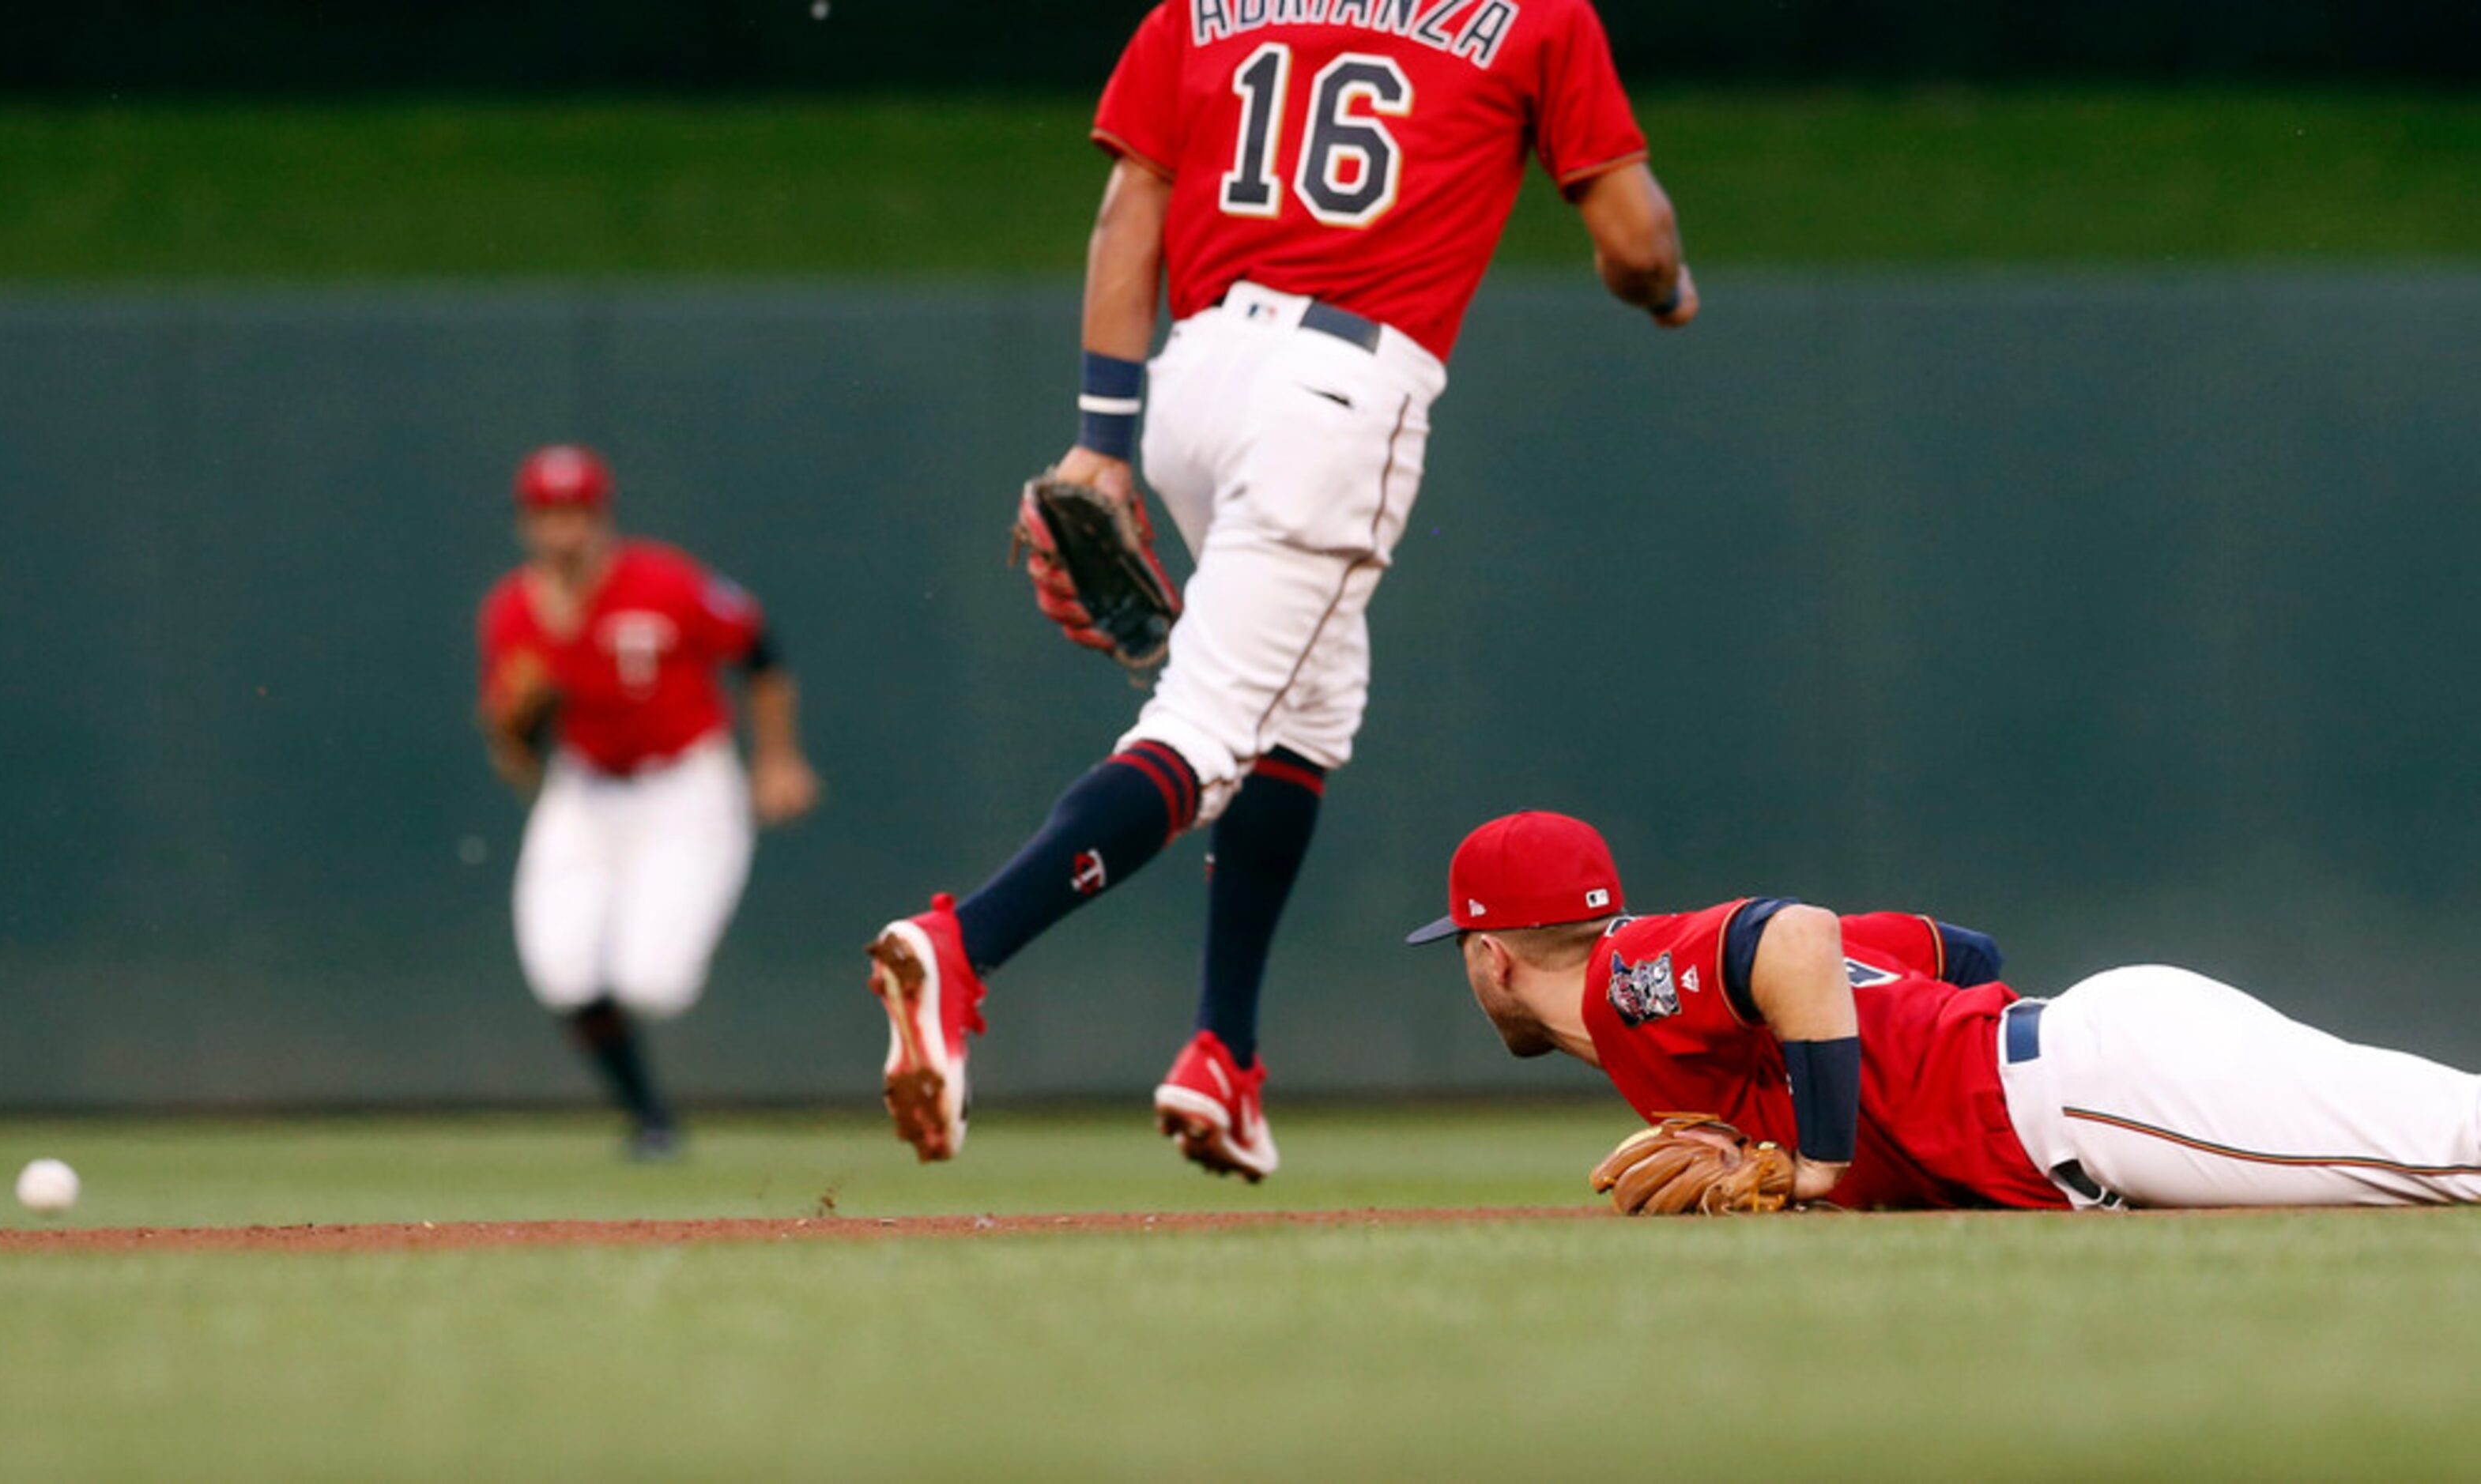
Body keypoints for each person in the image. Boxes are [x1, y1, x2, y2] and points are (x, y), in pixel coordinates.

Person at [861, 0, 1699, 1177]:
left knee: (1306, 709)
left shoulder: (1199, 12)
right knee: (1205, 733)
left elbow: (1129, 209)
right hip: (1340, 393)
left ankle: (1226, 1056)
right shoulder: (1536, 20)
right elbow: (1633, 243)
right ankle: (964, 946)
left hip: (1197, 375)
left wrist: (1101, 439)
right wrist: (1666, 291)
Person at [1408, 810, 2481, 1210]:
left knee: (2457, 1152)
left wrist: (1820, 1158)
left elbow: (1794, 937)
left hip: (2092, 1091)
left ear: (1491, 955)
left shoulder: (1626, 978)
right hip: (2098, 1051)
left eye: (1460, 949)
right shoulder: (1672, 1020)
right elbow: (1959, 955)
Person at [477, 444, 820, 1158]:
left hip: (684, 785)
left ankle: (652, 1118)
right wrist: (520, 719)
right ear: (525, 524)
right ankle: (651, 1119)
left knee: (652, 982)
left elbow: (757, 647)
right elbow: (514, 762)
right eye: (547, 515)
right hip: (586, 788)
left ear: (601, 517)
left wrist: (778, 757)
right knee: (563, 969)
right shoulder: (511, 612)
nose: (561, 531)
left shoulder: (662, 580)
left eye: (574, 513)